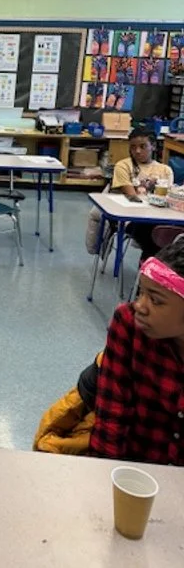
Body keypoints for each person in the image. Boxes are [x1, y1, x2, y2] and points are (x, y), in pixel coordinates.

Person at [89, 236, 184, 466]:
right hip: (134, 466)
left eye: (156, 300)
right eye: (141, 292)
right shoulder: (128, 324)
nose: (140, 306)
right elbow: (112, 417)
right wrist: (107, 474)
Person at [111, 127, 173, 259]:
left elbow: (169, 199)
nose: (137, 151)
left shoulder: (165, 170)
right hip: (133, 217)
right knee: (151, 233)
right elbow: (133, 197)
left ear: (153, 146)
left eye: (143, 146)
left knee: (172, 233)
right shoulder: (123, 166)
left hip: (161, 217)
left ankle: (157, 270)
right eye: (133, 147)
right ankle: (149, 270)